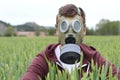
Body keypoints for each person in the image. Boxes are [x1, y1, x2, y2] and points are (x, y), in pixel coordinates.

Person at [21, 4, 120, 80]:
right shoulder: (45, 59)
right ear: (57, 30)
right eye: (64, 26)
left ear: (84, 30)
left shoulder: (93, 58)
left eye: (76, 26)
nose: (70, 32)